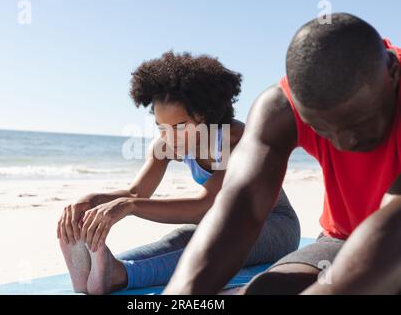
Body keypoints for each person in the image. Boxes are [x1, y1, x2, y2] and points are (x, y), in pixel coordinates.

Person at [163, 13, 401, 295]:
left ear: (393, 73)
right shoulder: (279, 109)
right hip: (341, 239)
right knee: (267, 290)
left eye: (358, 122)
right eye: (323, 129)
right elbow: (242, 205)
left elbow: (392, 230)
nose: (343, 142)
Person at [57, 51, 300, 294]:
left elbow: (203, 207)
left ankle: (121, 275)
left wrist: (129, 206)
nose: (169, 138)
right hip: (223, 221)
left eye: (179, 126)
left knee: (214, 243)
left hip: (273, 224)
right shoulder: (165, 145)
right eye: (161, 128)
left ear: (204, 115)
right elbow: (136, 191)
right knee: (178, 239)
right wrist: (90, 201)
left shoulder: (236, 141)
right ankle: (101, 267)